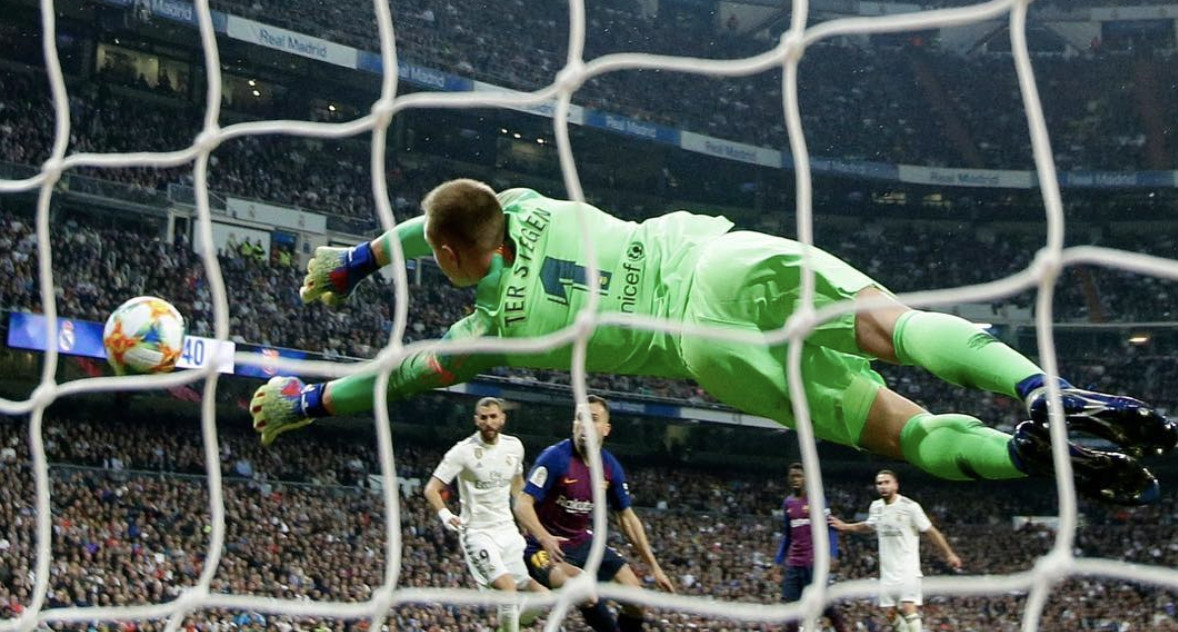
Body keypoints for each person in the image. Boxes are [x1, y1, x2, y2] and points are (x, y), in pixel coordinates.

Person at [250, 179, 1176, 505]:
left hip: (708, 352)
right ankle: (1039, 392)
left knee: (900, 432)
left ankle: (1027, 459)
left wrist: (310, 398)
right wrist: (362, 259)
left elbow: (404, 376)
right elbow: (443, 217)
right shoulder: (527, 206)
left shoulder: (499, 331)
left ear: (452, 256)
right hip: (717, 259)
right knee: (889, 324)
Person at [513, 395, 674, 631]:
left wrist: (654, 566)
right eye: (580, 418)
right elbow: (522, 504)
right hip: (544, 547)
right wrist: (543, 537)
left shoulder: (609, 467)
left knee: (637, 603)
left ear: (606, 429)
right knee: (584, 592)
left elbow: (627, 518)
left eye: (594, 418)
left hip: (582, 542)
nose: (585, 423)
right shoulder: (555, 458)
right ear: (574, 424)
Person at [422, 397, 547, 632]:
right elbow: (431, 489)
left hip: (508, 531)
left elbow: (517, 487)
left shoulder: (514, 446)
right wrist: (446, 515)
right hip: (478, 532)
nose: (489, 422)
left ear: (502, 419)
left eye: (493, 417)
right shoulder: (462, 451)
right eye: (483, 417)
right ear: (476, 420)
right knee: (508, 590)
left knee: (542, 594)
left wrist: (527, 521)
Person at [829, 470, 962, 632]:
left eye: (887, 482)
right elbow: (868, 526)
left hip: (907, 568)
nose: (883, 486)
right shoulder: (876, 507)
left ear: (896, 485)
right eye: (879, 483)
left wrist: (949, 553)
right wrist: (845, 527)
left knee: (907, 606)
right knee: (890, 613)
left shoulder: (910, 507)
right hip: (887, 571)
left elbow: (931, 531)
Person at [776, 463, 846, 632]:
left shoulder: (817, 499)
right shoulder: (788, 503)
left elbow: (831, 527)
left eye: (798, 476)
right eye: (792, 476)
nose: (795, 480)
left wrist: (833, 554)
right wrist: (778, 561)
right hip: (794, 563)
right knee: (789, 607)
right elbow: (788, 534)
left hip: (813, 562)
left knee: (825, 607)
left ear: (806, 478)